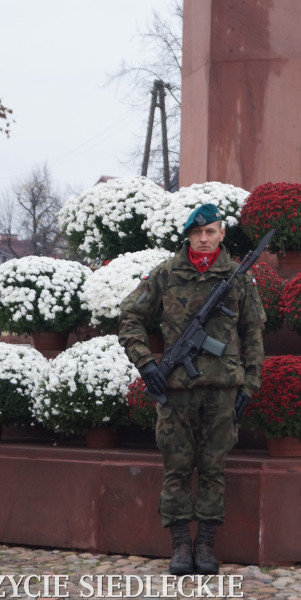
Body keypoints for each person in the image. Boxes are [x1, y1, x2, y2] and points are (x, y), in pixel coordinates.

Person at [118, 203, 265, 575]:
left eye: (210, 231)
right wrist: (147, 363)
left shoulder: (237, 277)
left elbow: (252, 334)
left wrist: (250, 384)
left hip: (222, 389)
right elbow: (130, 316)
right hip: (177, 390)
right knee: (177, 468)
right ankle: (181, 544)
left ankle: (206, 544)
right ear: (187, 235)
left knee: (214, 468)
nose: (203, 238)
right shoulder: (167, 275)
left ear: (220, 234)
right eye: (197, 233)